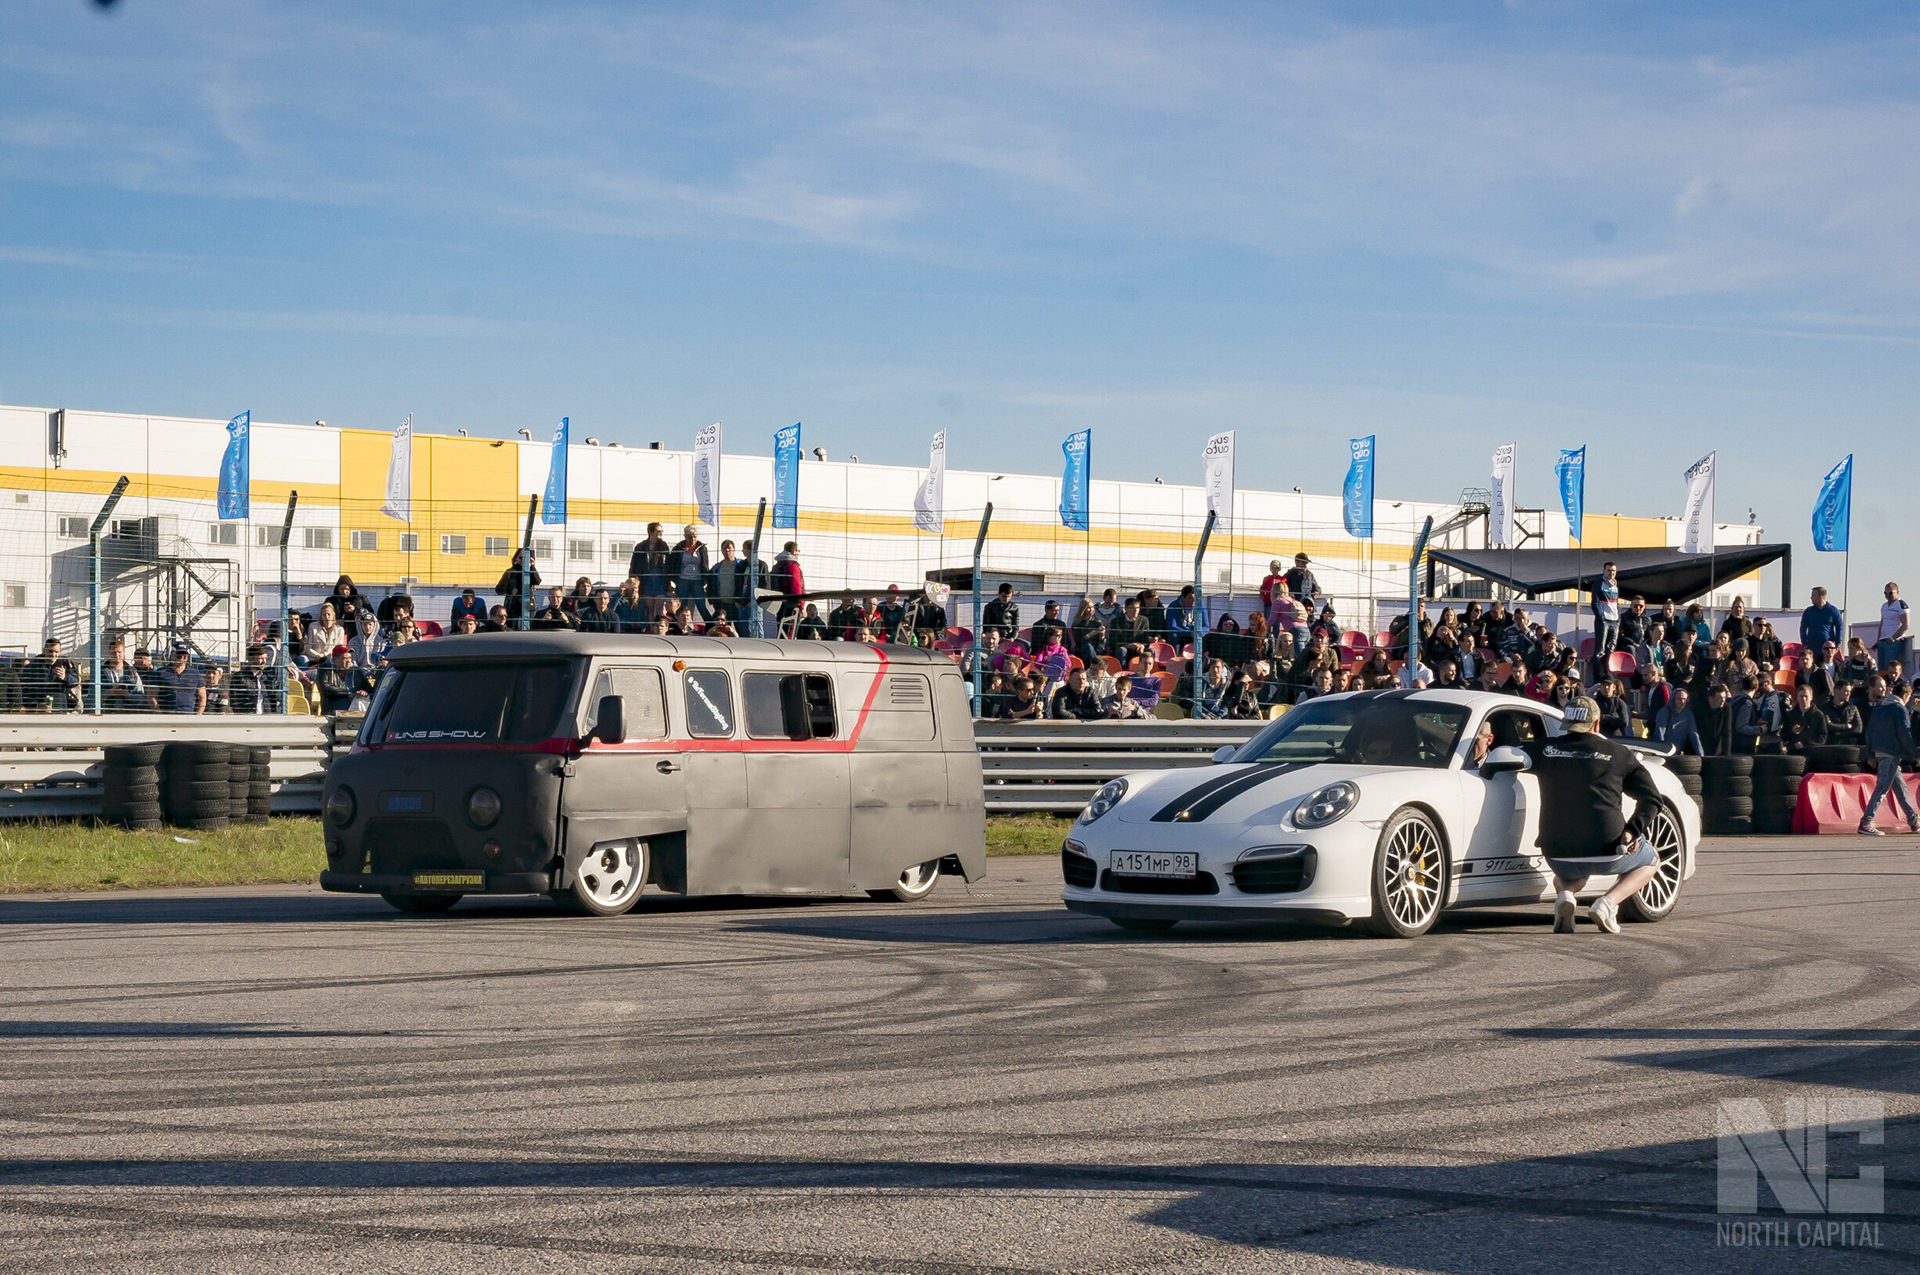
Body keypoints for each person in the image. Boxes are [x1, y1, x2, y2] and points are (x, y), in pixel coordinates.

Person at [1501, 694, 1665, 934]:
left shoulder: (1544, 749)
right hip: (1608, 849)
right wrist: (1632, 830)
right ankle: (1607, 904)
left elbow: (1509, 753)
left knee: (1569, 872)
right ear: (1597, 724)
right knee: (1652, 860)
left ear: (1566, 723)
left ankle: (1566, 895)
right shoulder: (1620, 754)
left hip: (1557, 852)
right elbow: (1652, 799)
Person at [1858, 678, 1920, 835]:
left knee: (1900, 789)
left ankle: (1914, 821)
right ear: (1905, 694)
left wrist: (1871, 753)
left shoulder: (1880, 708)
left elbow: (1869, 731)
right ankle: (1866, 822)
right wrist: (1915, 754)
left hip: (1881, 753)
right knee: (1882, 788)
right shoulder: (1899, 709)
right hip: (1892, 753)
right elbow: (1905, 733)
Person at [24, 638, 80, 711]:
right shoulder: (33, 667)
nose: (53, 655)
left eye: (56, 652)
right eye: (50, 651)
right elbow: (24, 690)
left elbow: (75, 682)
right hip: (39, 711)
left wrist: (65, 677)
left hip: (60, 709)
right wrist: (36, 705)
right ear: (44, 651)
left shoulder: (64, 665)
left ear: (60, 652)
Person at [314, 645, 374, 715]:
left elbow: (369, 689)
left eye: (350, 658)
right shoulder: (324, 669)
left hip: (355, 710)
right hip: (332, 711)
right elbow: (324, 687)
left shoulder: (357, 671)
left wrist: (364, 692)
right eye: (345, 658)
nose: (348, 661)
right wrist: (347, 693)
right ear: (335, 659)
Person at [148, 643, 206, 714]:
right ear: (172, 654)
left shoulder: (195, 673)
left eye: (185, 655)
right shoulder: (160, 672)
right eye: (179, 655)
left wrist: (198, 715)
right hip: (167, 717)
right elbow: (151, 695)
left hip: (188, 717)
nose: (182, 657)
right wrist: (159, 714)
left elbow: (203, 697)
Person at [96, 638, 144, 713]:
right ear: (109, 653)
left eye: (119, 652)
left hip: (128, 715)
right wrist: (109, 693)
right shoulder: (100, 672)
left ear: (124, 653)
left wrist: (128, 695)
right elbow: (92, 696)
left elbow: (141, 696)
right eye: (113, 652)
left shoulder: (132, 672)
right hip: (106, 714)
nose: (116, 655)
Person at [1652, 686, 1703, 755]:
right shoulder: (1664, 712)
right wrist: (1662, 753)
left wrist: (1701, 755)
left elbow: (1694, 735)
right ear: (1673, 699)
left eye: (1684, 699)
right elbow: (1660, 733)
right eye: (1679, 699)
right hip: (1664, 752)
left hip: (1678, 752)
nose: (1682, 702)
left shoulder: (1688, 714)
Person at [230, 644, 281, 714]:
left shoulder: (267, 678)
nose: (264, 661)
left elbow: (271, 699)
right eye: (261, 658)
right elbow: (234, 701)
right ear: (251, 659)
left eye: (265, 658)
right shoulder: (239, 677)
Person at [1780, 682, 1828, 755]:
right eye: (1801, 696)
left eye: (1806, 696)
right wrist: (1791, 731)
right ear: (1797, 698)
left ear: (1811, 697)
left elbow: (1822, 738)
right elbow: (1783, 735)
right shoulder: (1791, 714)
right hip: (1793, 753)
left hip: (1811, 754)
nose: (1804, 699)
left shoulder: (1818, 715)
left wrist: (1805, 744)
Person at [301, 600, 347, 668]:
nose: (326, 617)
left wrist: (325, 655)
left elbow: (338, 650)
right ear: (321, 616)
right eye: (324, 615)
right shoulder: (313, 627)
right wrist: (319, 656)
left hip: (331, 660)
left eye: (329, 614)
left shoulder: (340, 630)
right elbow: (308, 648)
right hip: (315, 659)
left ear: (333, 615)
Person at [1591, 561, 1622, 659]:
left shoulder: (1615, 585)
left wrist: (1618, 619)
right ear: (1604, 571)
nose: (1611, 573)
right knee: (1600, 650)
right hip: (1604, 621)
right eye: (1608, 570)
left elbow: (1616, 603)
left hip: (1614, 621)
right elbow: (1594, 604)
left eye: (1613, 570)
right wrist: (1601, 618)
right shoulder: (1599, 583)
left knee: (1611, 649)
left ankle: (1608, 672)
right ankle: (1597, 674)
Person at [1801, 586, 1845, 655]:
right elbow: (1803, 628)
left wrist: (1838, 643)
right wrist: (1805, 643)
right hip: (1812, 648)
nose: (1811, 597)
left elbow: (1839, 627)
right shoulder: (1808, 611)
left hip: (1828, 648)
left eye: (1813, 595)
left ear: (1820, 597)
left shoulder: (1833, 611)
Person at [1878, 582, 1911, 671]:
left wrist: (1893, 638)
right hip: (1882, 640)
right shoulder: (1884, 606)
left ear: (1897, 592)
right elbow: (1882, 623)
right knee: (1881, 669)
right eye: (1885, 593)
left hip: (1893, 641)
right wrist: (1878, 639)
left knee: (1890, 668)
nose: (1888, 595)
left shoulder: (1901, 605)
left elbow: (1905, 625)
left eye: (1890, 593)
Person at [1822, 679, 1864, 745]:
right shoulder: (1825, 708)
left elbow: (1858, 728)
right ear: (1836, 691)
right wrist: (1846, 726)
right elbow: (1828, 726)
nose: (1849, 694)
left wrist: (1842, 733)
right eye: (1846, 691)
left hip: (1849, 745)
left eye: (1850, 691)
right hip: (1831, 745)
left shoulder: (1852, 708)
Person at [771, 542, 804, 622]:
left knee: (781, 630)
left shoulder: (777, 565)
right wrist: (801, 606)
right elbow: (796, 587)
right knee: (790, 632)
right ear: (794, 551)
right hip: (792, 605)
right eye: (798, 551)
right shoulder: (792, 566)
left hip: (779, 603)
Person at [348, 611, 387, 676]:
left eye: (370, 624)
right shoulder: (353, 641)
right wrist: (360, 672)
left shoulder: (382, 642)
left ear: (375, 625)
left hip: (377, 673)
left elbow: (382, 661)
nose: (367, 627)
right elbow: (352, 660)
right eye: (364, 624)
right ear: (360, 625)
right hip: (359, 673)